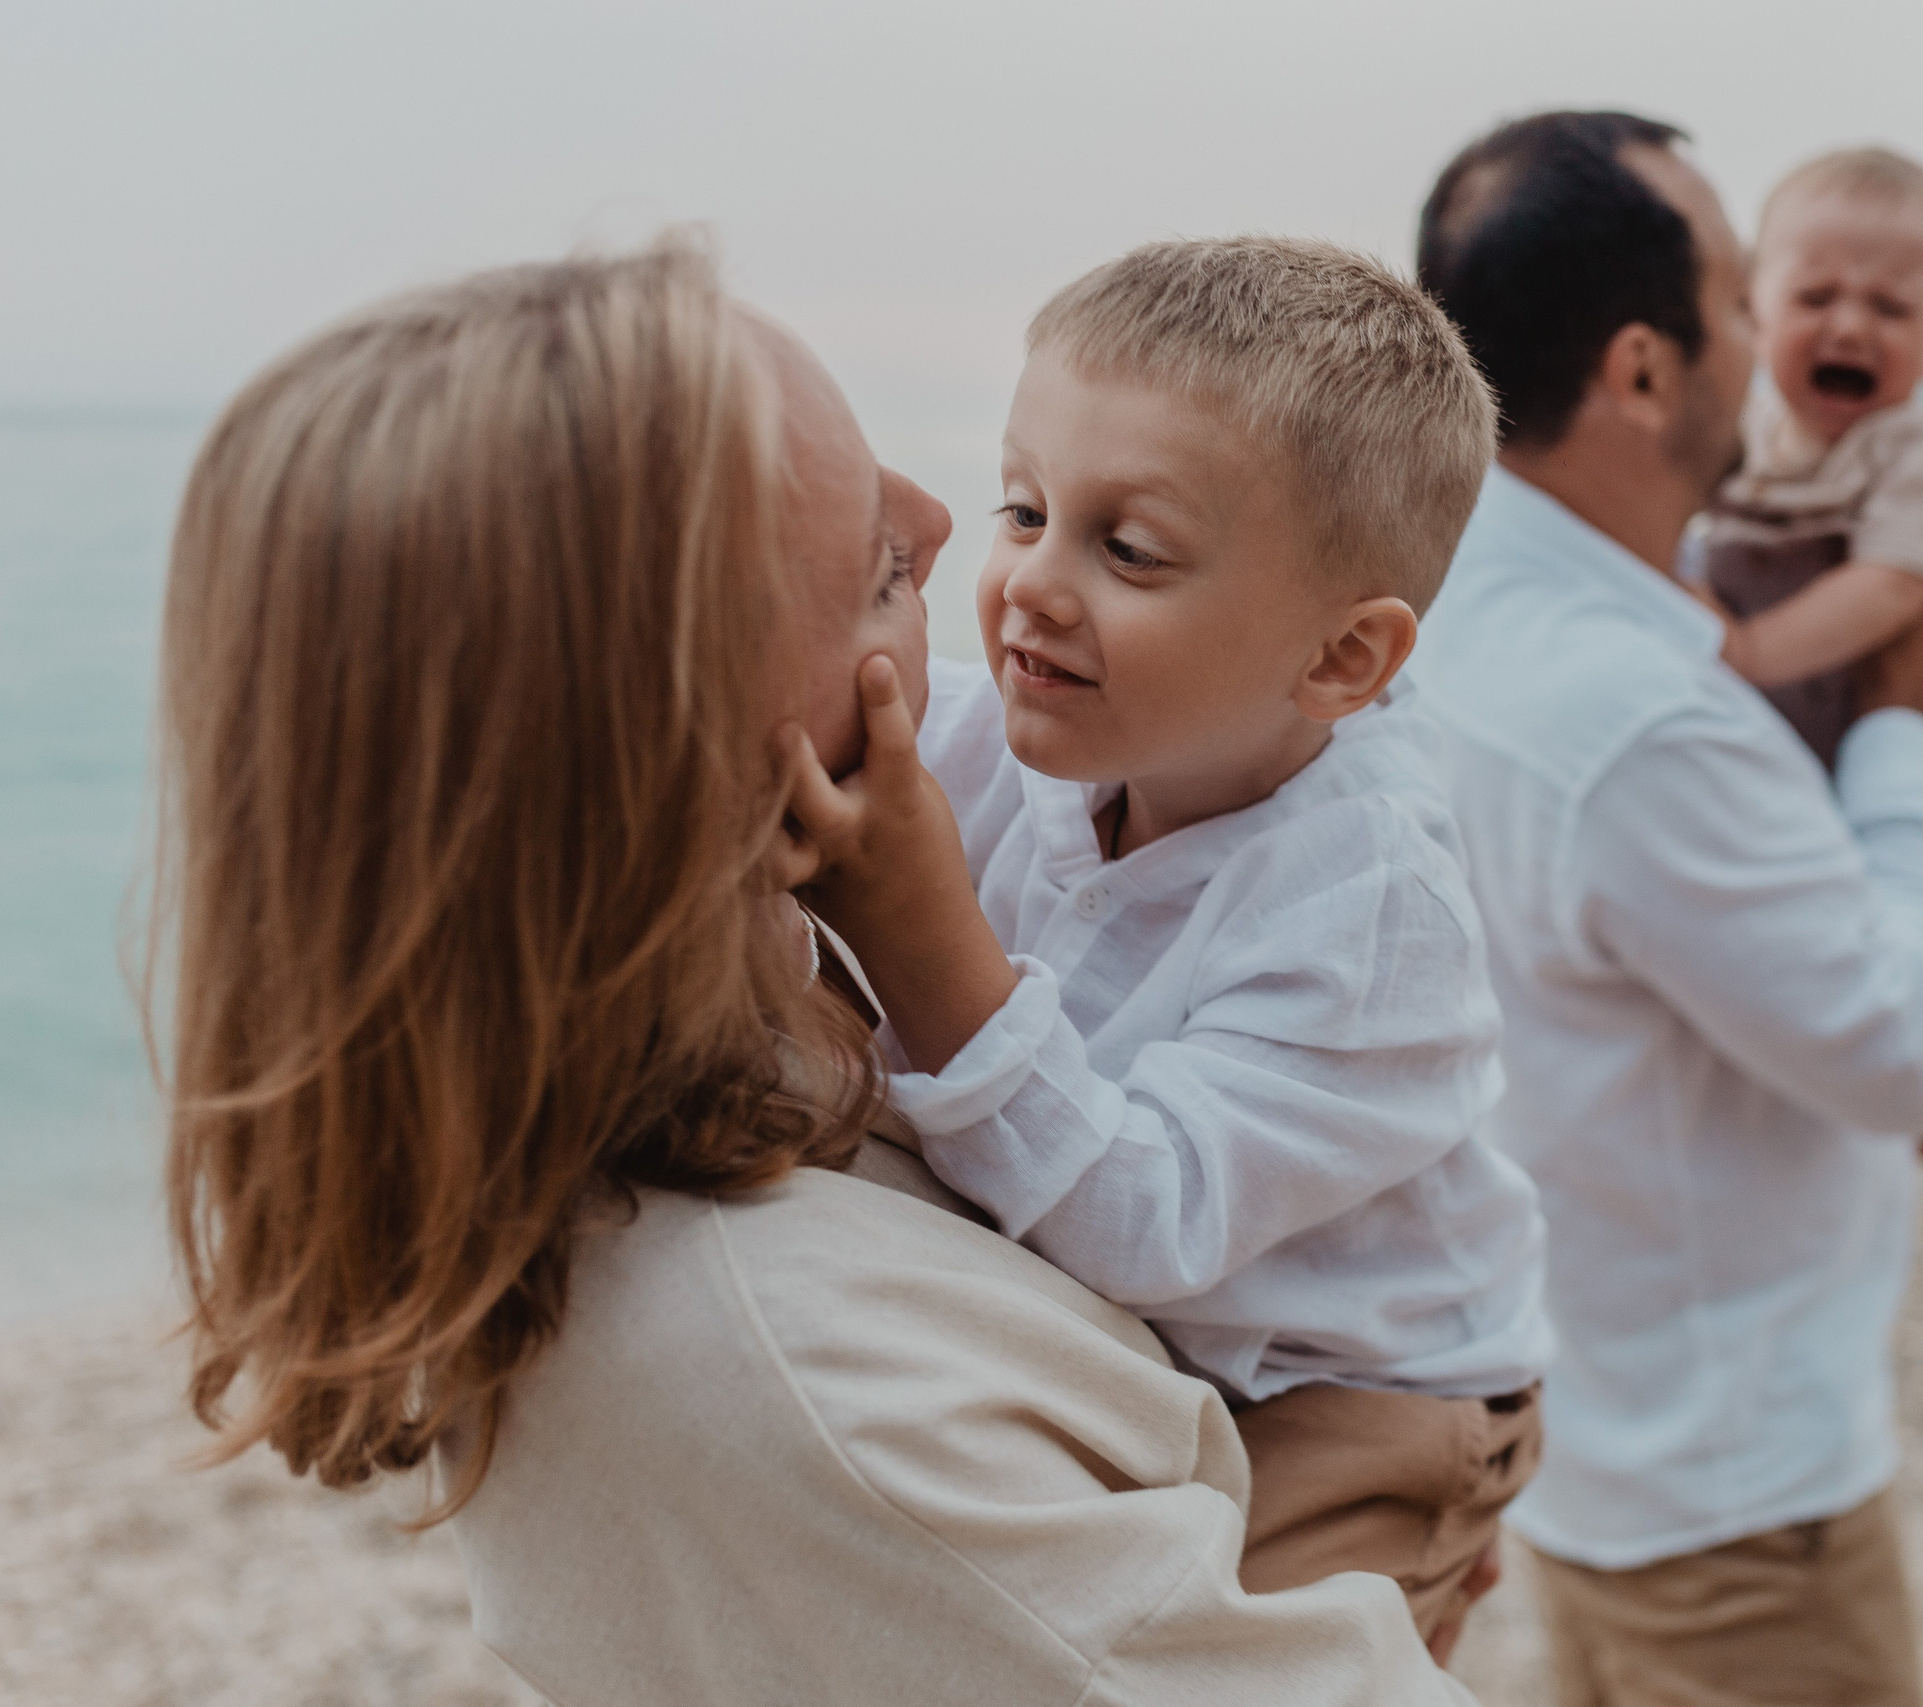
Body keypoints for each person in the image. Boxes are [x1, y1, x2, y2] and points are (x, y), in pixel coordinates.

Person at [155, 241, 1478, 1705]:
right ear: (680, 771)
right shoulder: (802, 1381)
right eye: (885, 572)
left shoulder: (749, 1050)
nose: (955, 532)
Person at [781, 236, 1550, 1652]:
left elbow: (1151, 1215)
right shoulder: (1016, 727)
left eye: (1127, 548)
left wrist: (922, 928)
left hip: (1353, 1387)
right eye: (1024, 509)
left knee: (1226, 1660)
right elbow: (797, 739)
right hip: (1145, 1330)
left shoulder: (1370, 907)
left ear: (1339, 662)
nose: (1032, 586)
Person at [1411, 112, 1923, 1705]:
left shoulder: (1439, 615)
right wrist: (1905, 716)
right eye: (1745, 300)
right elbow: (1903, 1054)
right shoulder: (1642, 712)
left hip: (1589, 1432)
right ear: (1645, 370)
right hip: (1738, 1492)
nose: (1768, 342)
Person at [1688, 148, 1923, 863]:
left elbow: (1892, 586)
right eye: (1815, 297)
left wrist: (1747, 649)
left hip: (1897, 755)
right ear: (1753, 306)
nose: (1852, 327)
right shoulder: (1742, 434)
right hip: (1779, 746)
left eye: (1891, 307)